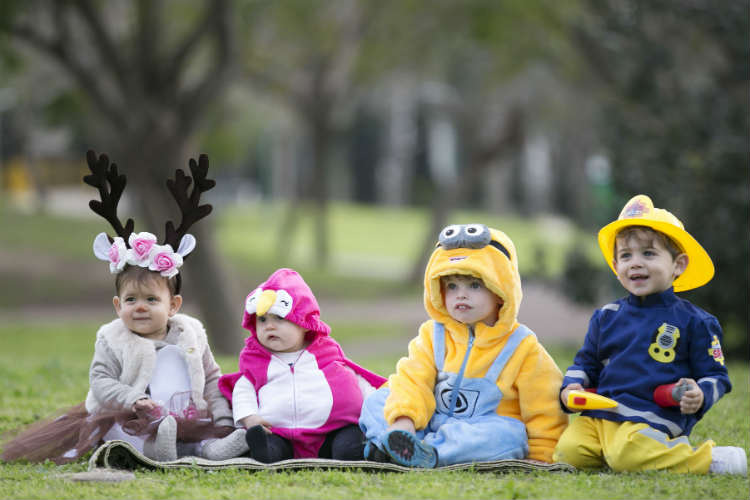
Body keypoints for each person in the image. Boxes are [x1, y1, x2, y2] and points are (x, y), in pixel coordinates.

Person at [1, 151, 247, 464]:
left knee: (201, 436)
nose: (140, 308)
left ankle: (211, 448)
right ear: (118, 306)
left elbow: (212, 379)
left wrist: (223, 420)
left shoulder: (191, 334)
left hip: (186, 419)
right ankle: (154, 449)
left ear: (173, 305)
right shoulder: (112, 338)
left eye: (151, 300)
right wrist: (134, 399)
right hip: (131, 419)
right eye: (131, 300)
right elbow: (101, 381)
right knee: (124, 433)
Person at [553, 194, 746, 475]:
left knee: (627, 455)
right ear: (617, 267)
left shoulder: (695, 321)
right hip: (600, 414)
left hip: (652, 416)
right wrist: (571, 388)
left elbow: (717, 377)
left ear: (678, 265)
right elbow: (585, 364)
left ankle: (708, 459)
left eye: (649, 253)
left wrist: (699, 394)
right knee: (568, 452)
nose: (635, 263)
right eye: (625, 256)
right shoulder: (606, 316)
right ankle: (622, 452)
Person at [359, 224, 568, 468]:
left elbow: (544, 406)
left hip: (479, 429)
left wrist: (542, 454)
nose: (461, 295)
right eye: (452, 286)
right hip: (426, 419)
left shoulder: (523, 346)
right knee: (379, 399)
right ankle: (396, 443)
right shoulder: (432, 335)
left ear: (501, 291)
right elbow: (413, 380)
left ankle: (427, 453)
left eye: (475, 285)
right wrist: (404, 420)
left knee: (510, 435)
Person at [218, 268, 387, 463]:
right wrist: (250, 418)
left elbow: (354, 380)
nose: (269, 326)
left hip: (331, 430)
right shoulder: (256, 362)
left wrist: (376, 404)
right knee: (270, 447)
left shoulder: (325, 354)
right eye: (262, 320)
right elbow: (243, 390)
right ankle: (264, 449)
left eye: (279, 318)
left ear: (304, 323)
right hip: (280, 433)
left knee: (348, 445)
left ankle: (364, 449)